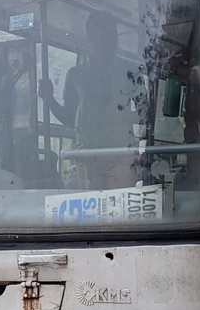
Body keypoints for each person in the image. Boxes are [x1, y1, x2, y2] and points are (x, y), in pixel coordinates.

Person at [38, 13, 139, 188]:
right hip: (85, 160)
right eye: (101, 33)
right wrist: (49, 100)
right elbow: (70, 119)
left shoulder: (130, 71)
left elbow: (147, 114)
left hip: (120, 159)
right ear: (89, 36)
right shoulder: (75, 75)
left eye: (110, 33)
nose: (107, 38)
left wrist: (120, 117)